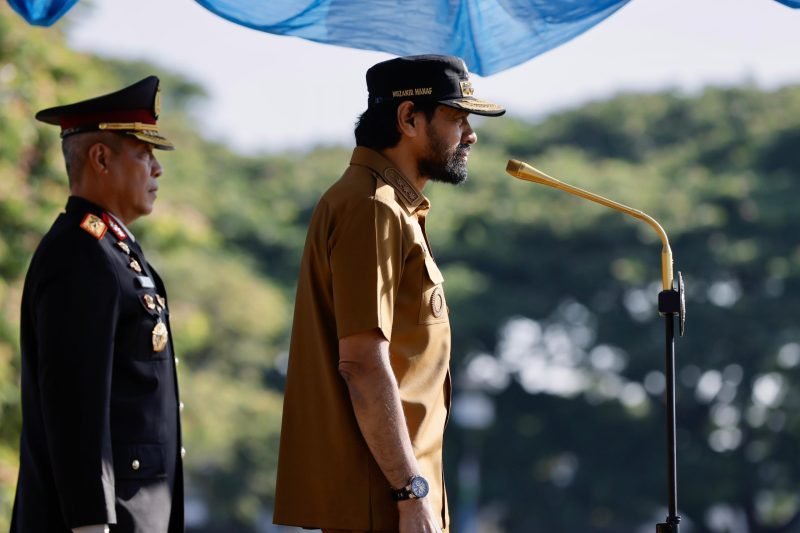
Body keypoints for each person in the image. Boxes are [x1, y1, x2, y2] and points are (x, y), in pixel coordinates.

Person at [273, 55, 505, 532]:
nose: (471, 133)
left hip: (388, 500)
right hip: (381, 503)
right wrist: (409, 492)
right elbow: (361, 362)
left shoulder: (389, 205)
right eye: (457, 117)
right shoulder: (371, 206)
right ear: (408, 118)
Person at [10, 76, 184, 533]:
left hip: (135, 512)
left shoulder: (113, 249)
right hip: (99, 521)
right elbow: (75, 409)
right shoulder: (80, 254)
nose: (157, 169)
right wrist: (90, 523)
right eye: (144, 154)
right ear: (101, 158)